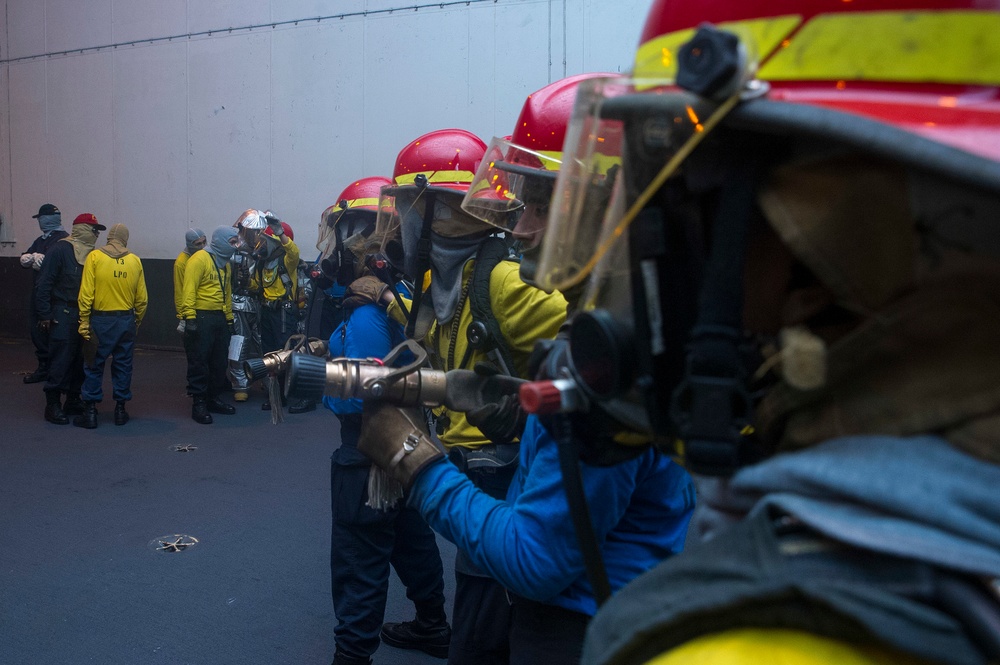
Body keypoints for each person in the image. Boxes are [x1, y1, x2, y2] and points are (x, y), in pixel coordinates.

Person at [492, 3, 1000, 664]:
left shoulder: (735, 646)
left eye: (683, 206)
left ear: (826, 233)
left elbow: (540, 557)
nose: (662, 249)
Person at [357, 101, 695, 664]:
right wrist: (520, 402)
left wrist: (413, 462)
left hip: (583, 623)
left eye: (543, 207)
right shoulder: (634, 334)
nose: (520, 226)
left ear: (608, 213)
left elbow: (536, 562)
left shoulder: (602, 359)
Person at [370, 128, 569, 665]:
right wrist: (390, 301)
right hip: (471, 465)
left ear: (449, 211)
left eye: (416, 207)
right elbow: (439, 338)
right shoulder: (446, 276)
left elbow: (597, 334)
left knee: (480, 634)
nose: (407, 223)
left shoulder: (505, 281)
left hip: (502, 473)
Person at [322, 176, 450, 665]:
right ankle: (432, 624)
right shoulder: (399, 296)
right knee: (411, 538)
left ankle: (351, 656)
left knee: (359, 558)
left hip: (365, 451)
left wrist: (324, 380)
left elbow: (363, 395)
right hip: (409, 444)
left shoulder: (365, 315)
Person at [35, 213, 105, 425]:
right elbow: (44, 284)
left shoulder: (92, 255)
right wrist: (45, 314)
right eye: (93, 229)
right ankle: (53, 403)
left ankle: (73, 399)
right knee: (61, 357)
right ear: (83, 229)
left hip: (85, 314)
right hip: (63, 312)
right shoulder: (59, 250)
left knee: (81, 358)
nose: (96, 234)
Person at [75, 223, 147, 428]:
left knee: (93, 364)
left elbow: (86, 294)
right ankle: (120, 411)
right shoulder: (135, 261)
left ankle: (90, 412)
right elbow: (142, 299)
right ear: (125, 238)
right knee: (123, 365)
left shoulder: (95, 257)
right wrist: (136, 321)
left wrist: (84, 322)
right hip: (126, 321)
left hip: (100, 321)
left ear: (109, 238)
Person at [180, 225, 239, 424]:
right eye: (232, 242)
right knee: (199, 361)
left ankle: (213, 398)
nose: (235, 246)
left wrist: (229, 319)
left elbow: (227, 293)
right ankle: (199, 403)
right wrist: (190, 318)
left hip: (220, 318)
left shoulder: (225, 264)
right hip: (201, 317)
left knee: (219, 362)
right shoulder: (199, 259)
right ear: (221, 242)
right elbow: (188, 290)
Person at [251, 213, 302, 413]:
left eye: (267, 241)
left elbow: (294, 252)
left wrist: (280, 232)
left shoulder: (287, 261)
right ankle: (273, 394)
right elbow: (257, 285)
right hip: (266, 311)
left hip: (283, 313)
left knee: (282, 354)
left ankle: (283, 394)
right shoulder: (263, 264)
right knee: (268, 354)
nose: (262, 245)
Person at [20, 203, 68, 384]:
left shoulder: (62, 241)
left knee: (51, 332)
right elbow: (29, 254)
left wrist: (44, 261)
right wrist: (27, 257)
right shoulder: (41, 240)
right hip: (39, 292)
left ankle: (54, 370)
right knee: (38, 331)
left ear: (46, 219)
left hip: (53, 295)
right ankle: (44, 366)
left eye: (40, 218)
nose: (39, 222)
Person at [229, 210, 266, 403]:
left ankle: (268, 380)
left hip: (258, 302)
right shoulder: (233, 248)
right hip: (238, 302)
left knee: (263, 343)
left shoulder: (262, 247)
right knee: (239, 344)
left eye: (260, 231)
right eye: (255, 230)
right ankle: (240, 384)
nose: (258, 235)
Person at [174, 227, 206, 332]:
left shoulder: (206, 257)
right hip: (190, 310)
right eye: (198, 244)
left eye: (204, 242)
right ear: (190, 244)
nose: (202, 246)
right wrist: (182, 317)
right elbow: (179, 290)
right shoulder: (181, 262)